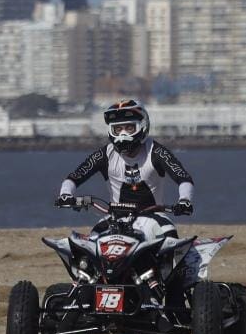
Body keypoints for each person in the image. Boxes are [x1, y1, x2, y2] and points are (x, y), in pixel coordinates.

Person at [55, 98, 199, 282]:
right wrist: (65, 195)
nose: (123, 134)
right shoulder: (105, 154)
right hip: (114, 217)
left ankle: (175, 299)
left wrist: (185, 200)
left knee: (172, 247)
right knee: (90, 248)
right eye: (117, 129)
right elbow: (74, 177)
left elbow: (183, 178)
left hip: (154, 217)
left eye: (129, 128)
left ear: (143, 126)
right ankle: (87, 289)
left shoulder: (156, 151)